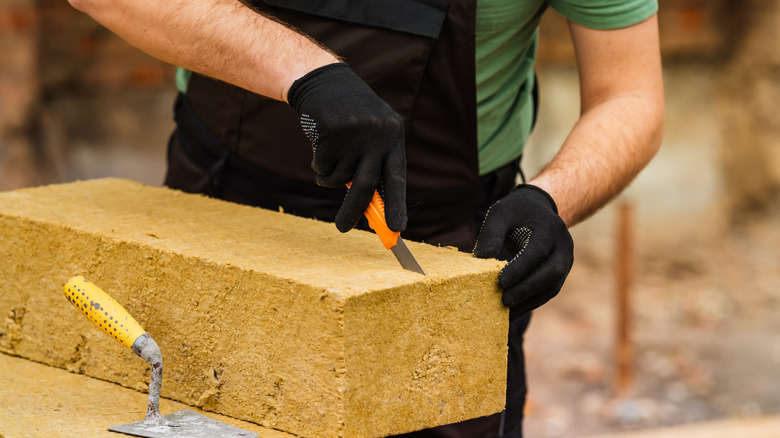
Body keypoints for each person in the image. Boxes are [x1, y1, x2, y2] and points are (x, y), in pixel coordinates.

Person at [66, 0, 664, 436]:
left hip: (439, 252)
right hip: (218, 210)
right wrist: (306, 72)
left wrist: (551, 197)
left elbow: (630, 95)